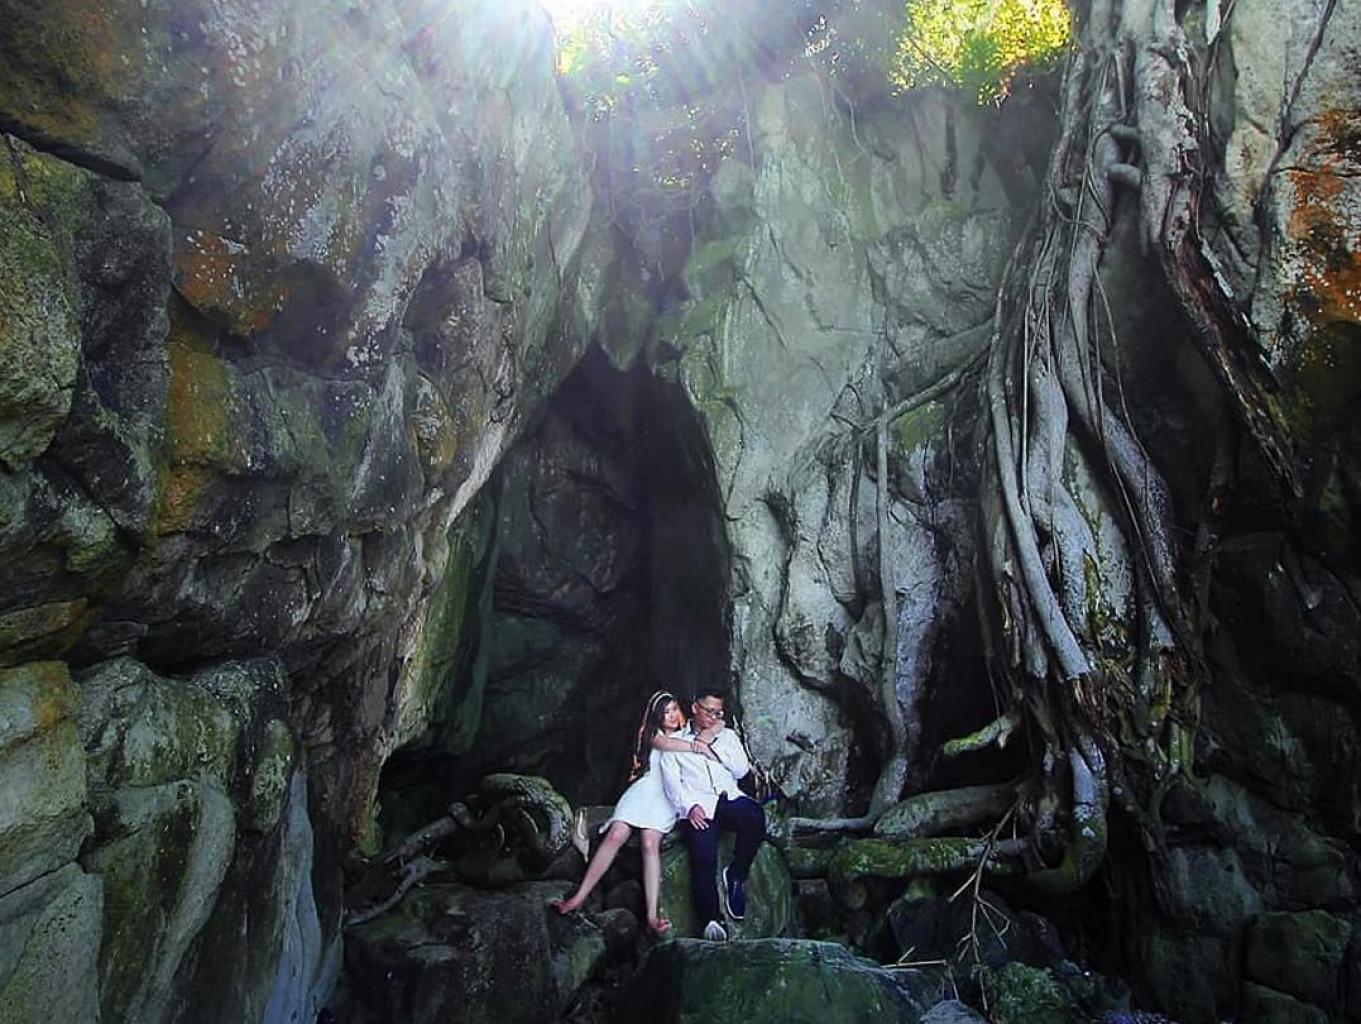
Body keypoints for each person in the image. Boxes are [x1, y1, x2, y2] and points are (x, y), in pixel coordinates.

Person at [551, 690, 716, 934]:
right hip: (643, 791)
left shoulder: (689, 732)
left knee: (650, 842)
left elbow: (717, 724)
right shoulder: (655, 735)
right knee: (616, 833)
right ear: (657, 717)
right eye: (665, 712)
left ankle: (651, 915)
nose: (672, 715)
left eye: (674, 709)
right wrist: (698, 746)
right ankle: (578, 897)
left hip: (668, 796)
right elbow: (666, 745)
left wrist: (706, 735)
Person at [658, 688, 765, 943]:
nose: (714, 717)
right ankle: (711, 919)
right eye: (709, 711)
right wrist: (688, 807)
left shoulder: (727, 736)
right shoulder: (676, 742)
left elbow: (741, 771)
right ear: (695, 708)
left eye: (719, 713)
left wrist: (711, 746)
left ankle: (736, 876)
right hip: (699, 806)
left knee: (755, 816)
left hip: (728, 799)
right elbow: (672, 784)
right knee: (703, 854)